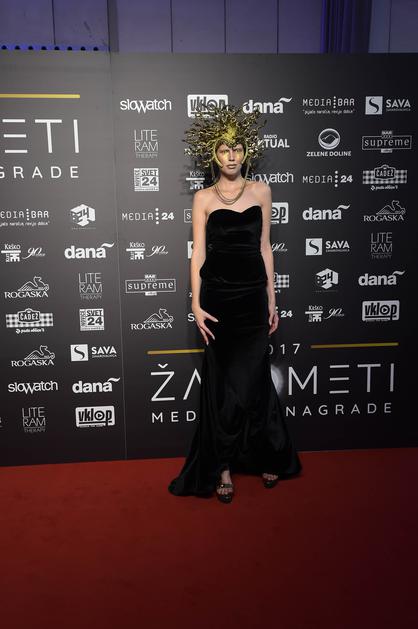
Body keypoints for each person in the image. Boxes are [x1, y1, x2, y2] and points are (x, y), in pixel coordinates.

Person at [168, 104, 302, 503]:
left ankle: (267, 453)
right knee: (223, 385)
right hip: (218, 299)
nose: (231, 156)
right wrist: (195, 304)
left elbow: (265, 248)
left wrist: (272, 298)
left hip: (252, 298)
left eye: (237, 148)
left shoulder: (261, 191)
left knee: (256, 380)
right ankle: (222, 465)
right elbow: (198, 253)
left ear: (246, 151)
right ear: (214, 153)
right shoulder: (203, 197)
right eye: (224, 149)